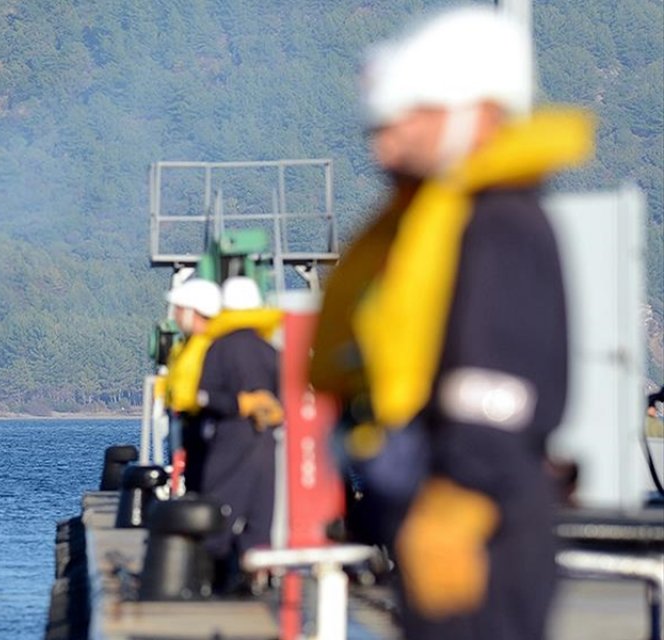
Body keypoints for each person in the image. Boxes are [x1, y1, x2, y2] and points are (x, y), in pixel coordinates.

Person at [309, 7, 593, 639]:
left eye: (409, 118)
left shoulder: (499, 225)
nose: (385, 143)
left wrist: (460, 498)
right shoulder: (434, 224)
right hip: (430, 498)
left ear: (476, 112)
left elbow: (499, 381)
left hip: (478, 518)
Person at [191, 276, 284, 594]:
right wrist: (272, 410)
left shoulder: (219, 349)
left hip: (228, 440)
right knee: (261, 514)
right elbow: (287, 397)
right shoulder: (270, 351)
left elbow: (205, 396)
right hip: (266, 444)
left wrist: (238, 404)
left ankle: (212, 579)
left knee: (220, 509)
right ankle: (257, 578)